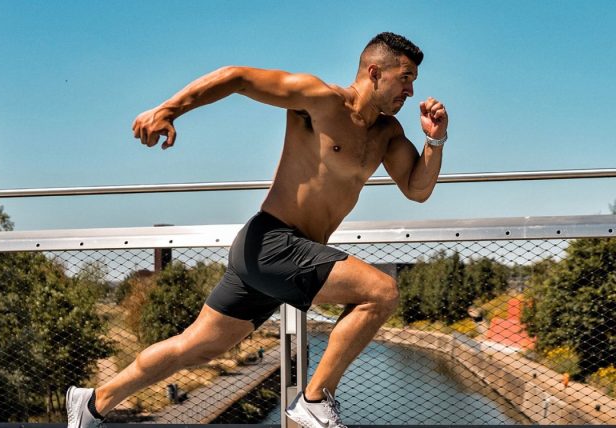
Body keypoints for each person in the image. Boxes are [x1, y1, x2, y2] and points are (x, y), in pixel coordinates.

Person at [66, 31, 448, 428]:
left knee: (195, 347)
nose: (411, 90)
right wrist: (168, 110)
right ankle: (315, 399)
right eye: (405, 78)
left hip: (283, 255)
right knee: (381, 291)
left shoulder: (388, 134)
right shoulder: (319, 99)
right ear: (374, 72)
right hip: (272, 241)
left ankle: (92, 403)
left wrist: (434, 141)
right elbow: (238, 77)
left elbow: (417, 189)